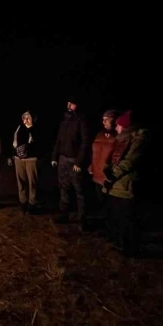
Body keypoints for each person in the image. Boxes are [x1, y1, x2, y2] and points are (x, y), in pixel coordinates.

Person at [102, 110, 149, 256]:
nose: (116, 128)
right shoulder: (122, 140)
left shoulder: (138, 140)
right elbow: (113, 158)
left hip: (126, 183)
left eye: (118, 126)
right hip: (118, 183)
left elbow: (129, 161)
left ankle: (131, 248)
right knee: (118, 216)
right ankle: (120, 243)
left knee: (128, 218)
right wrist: (108, 169)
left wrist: (113, 175)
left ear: (125, 127)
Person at [52, 96, 91, 229]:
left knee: (79, 189)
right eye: (68, 103)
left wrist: (79, 162)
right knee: (63, 186)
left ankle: (82, 219)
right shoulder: (64, 120)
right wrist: (54, 157)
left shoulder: (81, 120)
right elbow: (58, 140)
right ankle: (64, 213)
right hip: (63, 158)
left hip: (74, 160)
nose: (69, 105)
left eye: (72, 103)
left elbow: (85, 142)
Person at [8, 110, 40, 214]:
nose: (25, 120)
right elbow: (15, 143)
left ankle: (32, 203)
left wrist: (30, 130)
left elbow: (40, 144)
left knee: (32, 182)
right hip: (18, 159)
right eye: (24, 117)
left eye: (28, 118)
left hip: (31, 159)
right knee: (21, 181)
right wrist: (11, 155)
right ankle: (23, 202)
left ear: (32, 119)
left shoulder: (36, 129)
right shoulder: (19, 128)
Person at [88, 109, 119, 219]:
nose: (104, 122)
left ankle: (110, 227)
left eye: (107, 119)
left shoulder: (118, 137)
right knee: (100, 201)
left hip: (107, 176)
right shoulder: (99, 134)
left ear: (114, 120)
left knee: (110, 204)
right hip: (96, 173)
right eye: (103, 120)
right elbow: (94, 151)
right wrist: (91, 165)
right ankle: (103, 224)